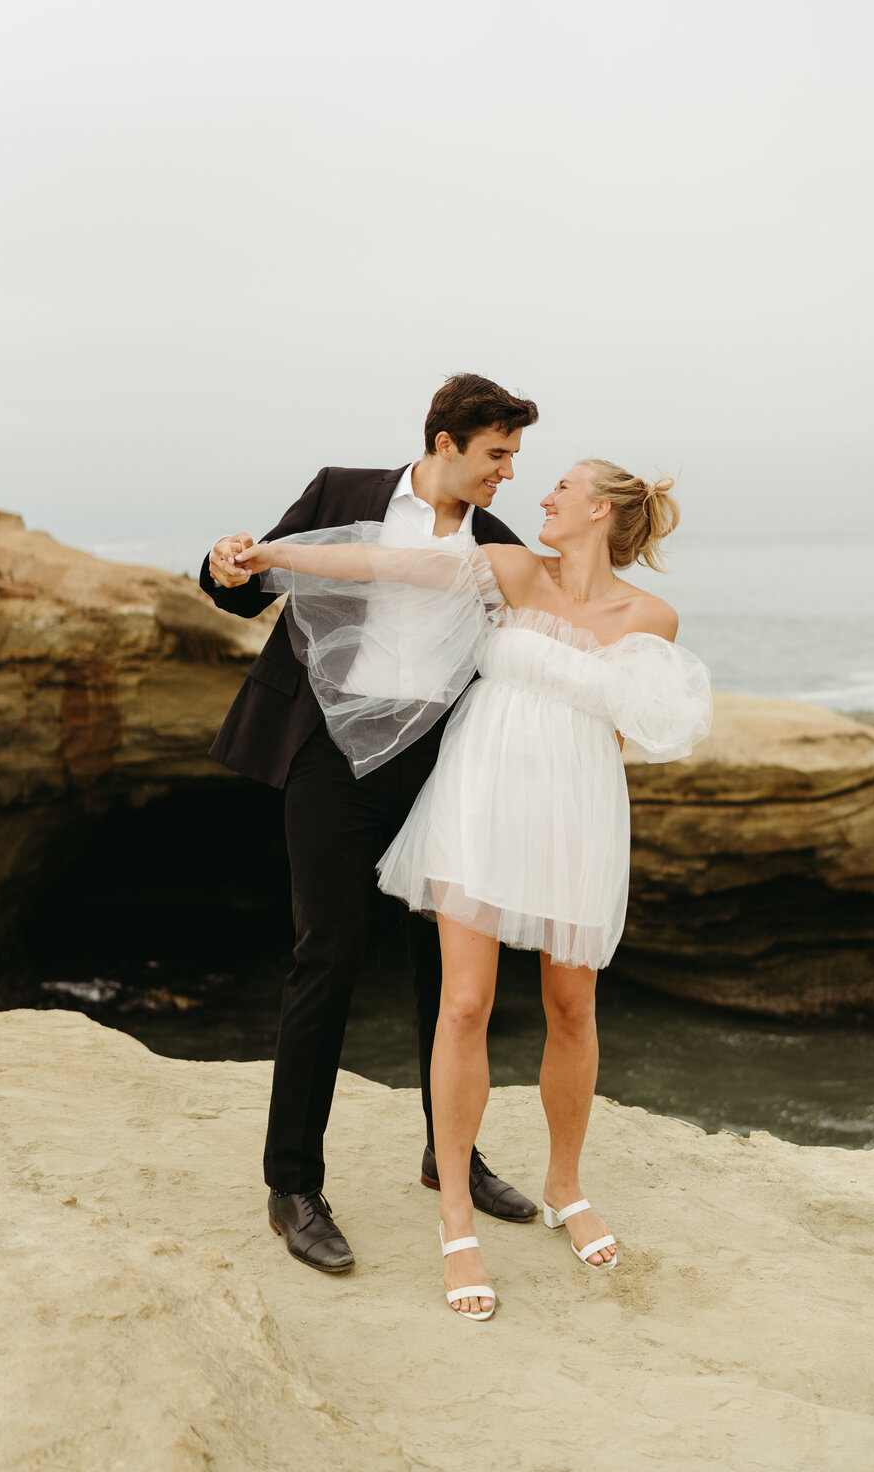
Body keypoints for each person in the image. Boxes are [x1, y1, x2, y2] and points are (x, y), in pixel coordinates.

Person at [235, 457, 713, 1317]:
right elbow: (382, 564)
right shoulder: (508, 568)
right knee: (464, 1004)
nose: (544, 494)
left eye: (562, 487)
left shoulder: (652, 618)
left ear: (600, 511)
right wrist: (276, 556)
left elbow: (642, 726)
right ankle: (455, 1211)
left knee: (573, 1006)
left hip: (575, 811)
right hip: (478, 797)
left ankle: (566, 1183)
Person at [200, 373, 541, 1273]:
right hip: (329, 758)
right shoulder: (341, 493)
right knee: (330, 949)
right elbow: (250, 587)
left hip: (439, 766)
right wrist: (221, 564)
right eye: (497, 454)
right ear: (444, 443)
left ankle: (450, 1154)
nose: (507, 472)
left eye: (514, 456)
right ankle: (293, 1186)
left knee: (448, 967)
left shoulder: (497, 541)